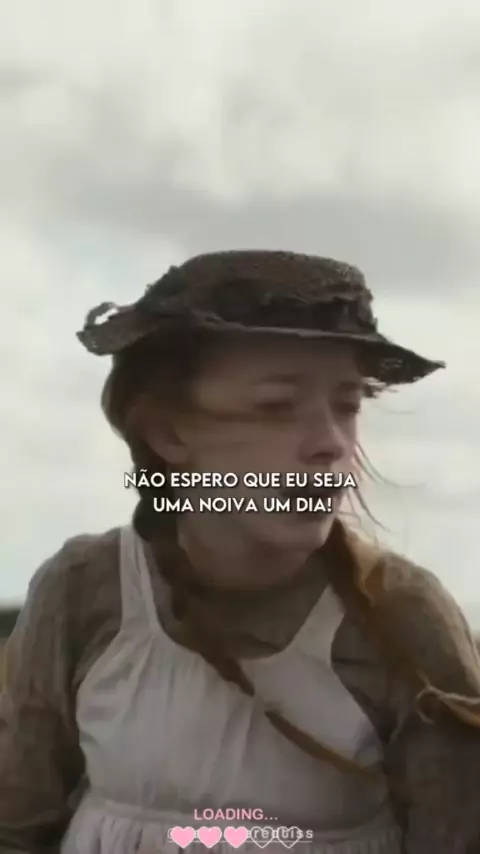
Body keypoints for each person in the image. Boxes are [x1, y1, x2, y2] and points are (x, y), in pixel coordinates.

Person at [1, 250, 480, 854]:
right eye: (276, 406)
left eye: (348, 405)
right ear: (169, 432)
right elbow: (15, 826)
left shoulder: (402, 616)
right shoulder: (83, 589)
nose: (330, 443)